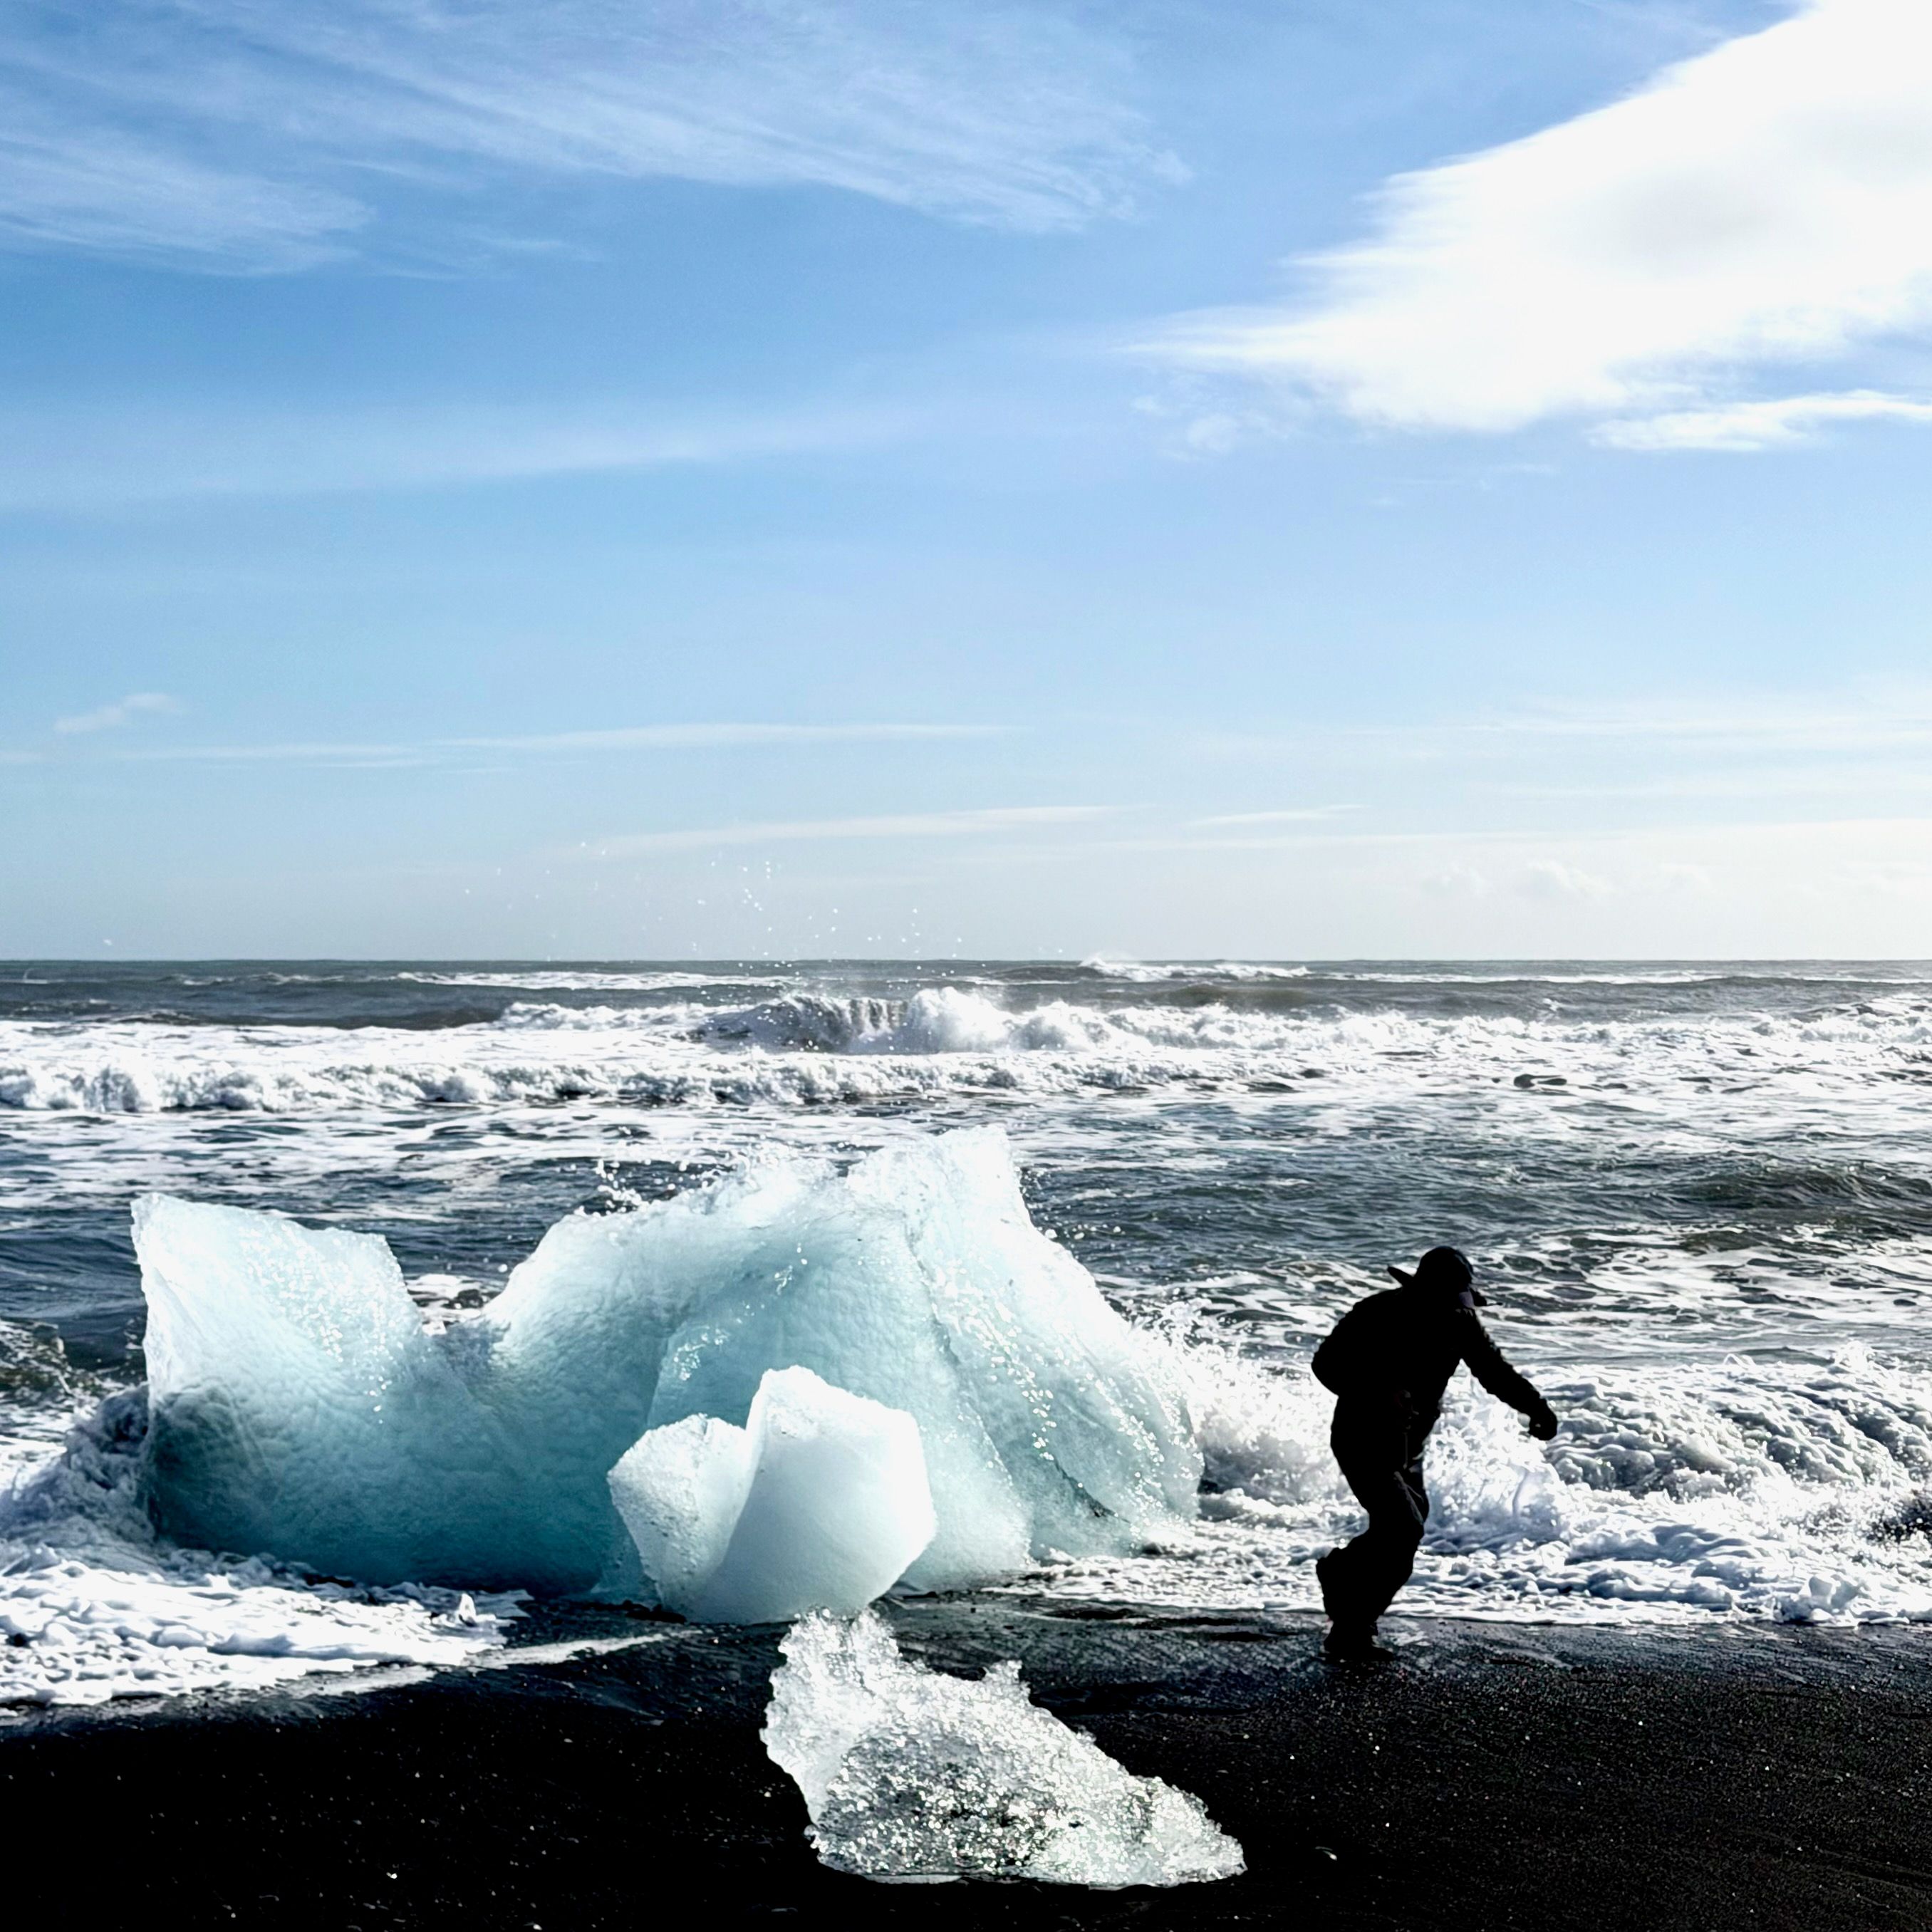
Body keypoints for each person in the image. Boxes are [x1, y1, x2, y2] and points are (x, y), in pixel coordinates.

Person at [1311, 1245, 1557, 1663]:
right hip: (1361, 1436)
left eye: (1456, 1302)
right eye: (1442, 1300)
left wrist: (1537, 1407)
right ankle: (1352, 1627)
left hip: (1409, 1448)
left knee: (1405, 1533)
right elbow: (1326, 1364)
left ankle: (1345, 1584)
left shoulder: (1461, 1322)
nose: (1450, 1310)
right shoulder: (1375, 1312)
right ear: (1419, 1291)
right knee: (1402, 1528)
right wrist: (1378, 1390)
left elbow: (1494, 1371)